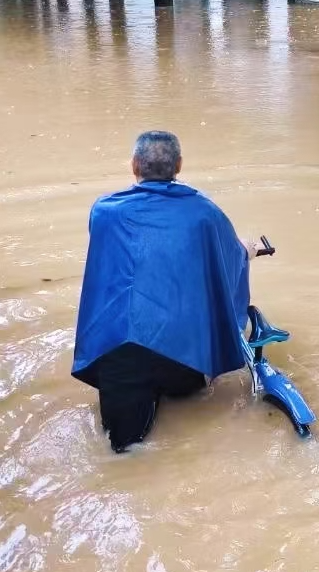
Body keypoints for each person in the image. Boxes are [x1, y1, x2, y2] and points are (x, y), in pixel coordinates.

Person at [73, 131, 258, 453]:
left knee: (122, 449)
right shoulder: (203, 213)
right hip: (182, 359)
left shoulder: (104, 211)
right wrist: (246, 252)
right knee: (195, 387)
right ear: (179, 165)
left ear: (134, 166)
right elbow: (227, 259)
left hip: (116, 357)